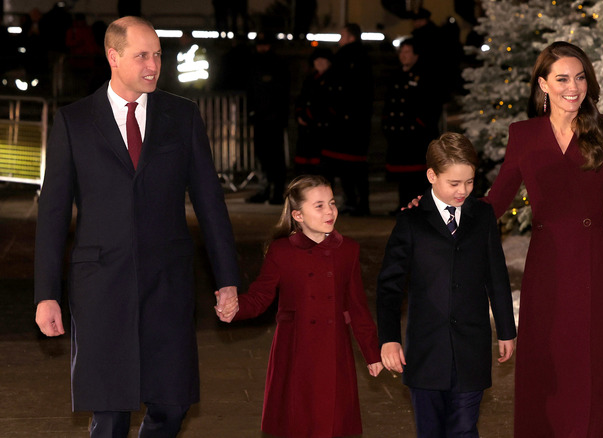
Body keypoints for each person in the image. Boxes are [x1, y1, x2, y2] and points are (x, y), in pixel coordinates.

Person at [34, 16, 240, 437]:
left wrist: (228, 279)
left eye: (158, 55)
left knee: (173, 402)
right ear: (113, 56)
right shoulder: (73, 121)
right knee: (109, 412)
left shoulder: (182, 115)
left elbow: (210, 204)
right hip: (100, 286)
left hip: (168, 282)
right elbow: (53, 215)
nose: (153, 65)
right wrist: (46, 295)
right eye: (141, 55)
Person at [483, 41, 603, 437]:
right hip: (545, 269)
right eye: (562, 78)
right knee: (543, 371)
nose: (573, 87)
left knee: (591, 372)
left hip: (593, 266)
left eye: (580, 77)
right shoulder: (523, 134)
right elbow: (495, 201)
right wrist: (441, 210)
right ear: (543, 84)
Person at [376, 132, 516, 438]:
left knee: (464, 428)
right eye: (454, 183)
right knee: (431, 431)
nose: (463, 190)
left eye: (469, 182)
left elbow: (496, 275)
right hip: (426, 352)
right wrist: (388, 338)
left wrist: (506, 329)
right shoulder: (410, 222)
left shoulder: (483, 215)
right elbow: (389, 287)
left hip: (472, 347)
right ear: (431, 175)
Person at [225, 174, 383, 437]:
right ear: (298, 215)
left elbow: (357, 306)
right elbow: (260, 297)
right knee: (298, 421)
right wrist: (234, 307)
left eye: (332, 203)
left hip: (335, 348)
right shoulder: (281, 252)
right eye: (319, 205)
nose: (330, 211)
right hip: (295, 349)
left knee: (333, 422)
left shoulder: (348, 250)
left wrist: (371, 352)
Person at [382, 38, 443, 214]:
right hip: (398, 133)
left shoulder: (425, 75)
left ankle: (418, 206)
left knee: (416, 175)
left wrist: (419, 124)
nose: (404, 56)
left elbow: (431, 105)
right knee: (402, 174)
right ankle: (403, 204)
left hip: (416, 135)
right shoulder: (396, 75)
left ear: (416, 55)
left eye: (407, 52)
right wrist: (387, 123)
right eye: (402, 52)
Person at [322, 23, 373, 216]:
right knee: (349, 166)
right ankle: (355, 201)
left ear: (351, 37)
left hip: (348, 121)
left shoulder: (350, 57)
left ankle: (356, 201)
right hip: (350, 121)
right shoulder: (356, 57)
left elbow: (350, 90)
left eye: (342, 35)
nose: (339, 39)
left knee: (352, 166)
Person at [244, 34, 290, 205]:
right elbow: (252, 91)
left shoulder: (276, 64)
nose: (261, 48)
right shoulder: (255, 64)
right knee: (263, 155)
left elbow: (280, 93)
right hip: (261, 118)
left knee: (275, 157)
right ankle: (266, 190)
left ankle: (276, 191)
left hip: (273, 119)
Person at [293, 47, 337, 175]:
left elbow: (326, 105)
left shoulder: (331, 80)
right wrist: (299, 115)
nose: (319, 62)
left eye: (323, 60)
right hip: (306, 132)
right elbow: (301, 100)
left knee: (321, 171)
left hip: (321, 131)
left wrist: (308, 116)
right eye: (317, 60)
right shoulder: (310, 80)